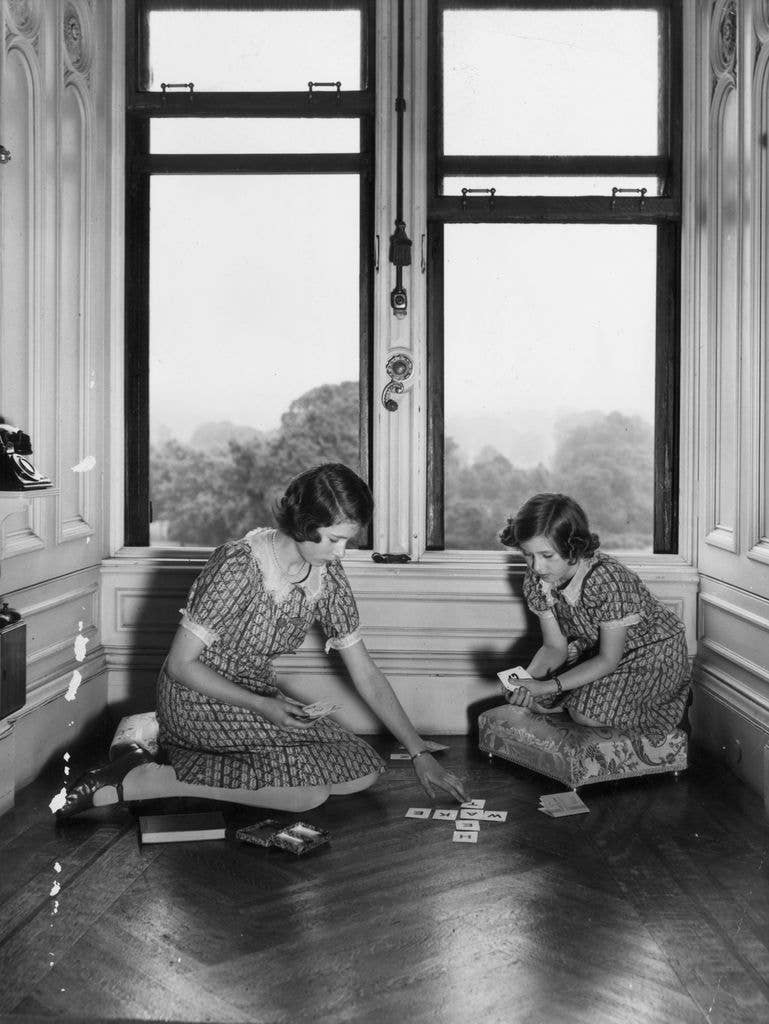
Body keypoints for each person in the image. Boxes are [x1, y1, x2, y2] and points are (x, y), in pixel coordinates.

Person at [58, 463, 467, 818]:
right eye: (334, 539)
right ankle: (139, 778)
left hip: (257, 695)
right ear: (304, 524)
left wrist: (419, 753)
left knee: (362, 770)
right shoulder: (239, 564)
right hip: (194, 697)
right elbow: (181, 666)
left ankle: (166, 745)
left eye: (348, 541)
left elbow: (365, 671)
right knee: (307, 794)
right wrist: (263, 705)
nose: (341, 553)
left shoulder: (327, 575)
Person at [498, 493, 690, 737]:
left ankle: (667, 699)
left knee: (584, 714)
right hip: (598, 652)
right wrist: (525, 682)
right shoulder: (539, 579)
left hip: (653, 654)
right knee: (542, 700)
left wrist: (546, 686)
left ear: (573, 548)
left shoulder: (607, 579)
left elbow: (609, 659)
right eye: (527, 554)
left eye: (547, 555)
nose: (537, 567)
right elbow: (554, 648)